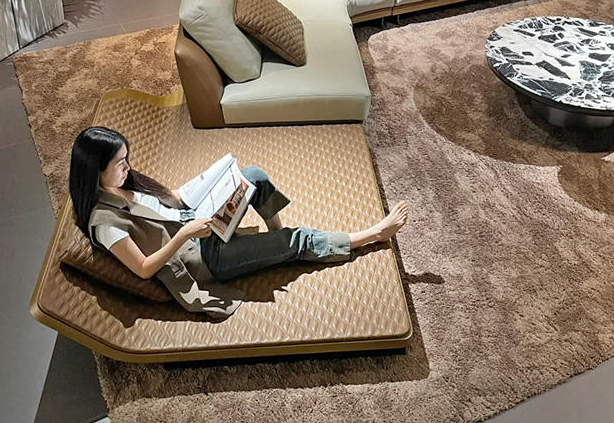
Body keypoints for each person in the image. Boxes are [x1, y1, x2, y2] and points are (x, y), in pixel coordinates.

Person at [69, 126, 409, 319]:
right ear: (96, 170)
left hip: (199, 223)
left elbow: (170, 200)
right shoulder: (105, 223)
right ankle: (372, 235)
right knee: (296, 240)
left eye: (127, 159)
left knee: (252, 177)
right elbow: (143, 269)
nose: (128, 167)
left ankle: (275, 241)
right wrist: (184, 234)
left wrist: (211, 184)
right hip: (204, 259)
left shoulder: (121, 184)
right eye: (120, 163)